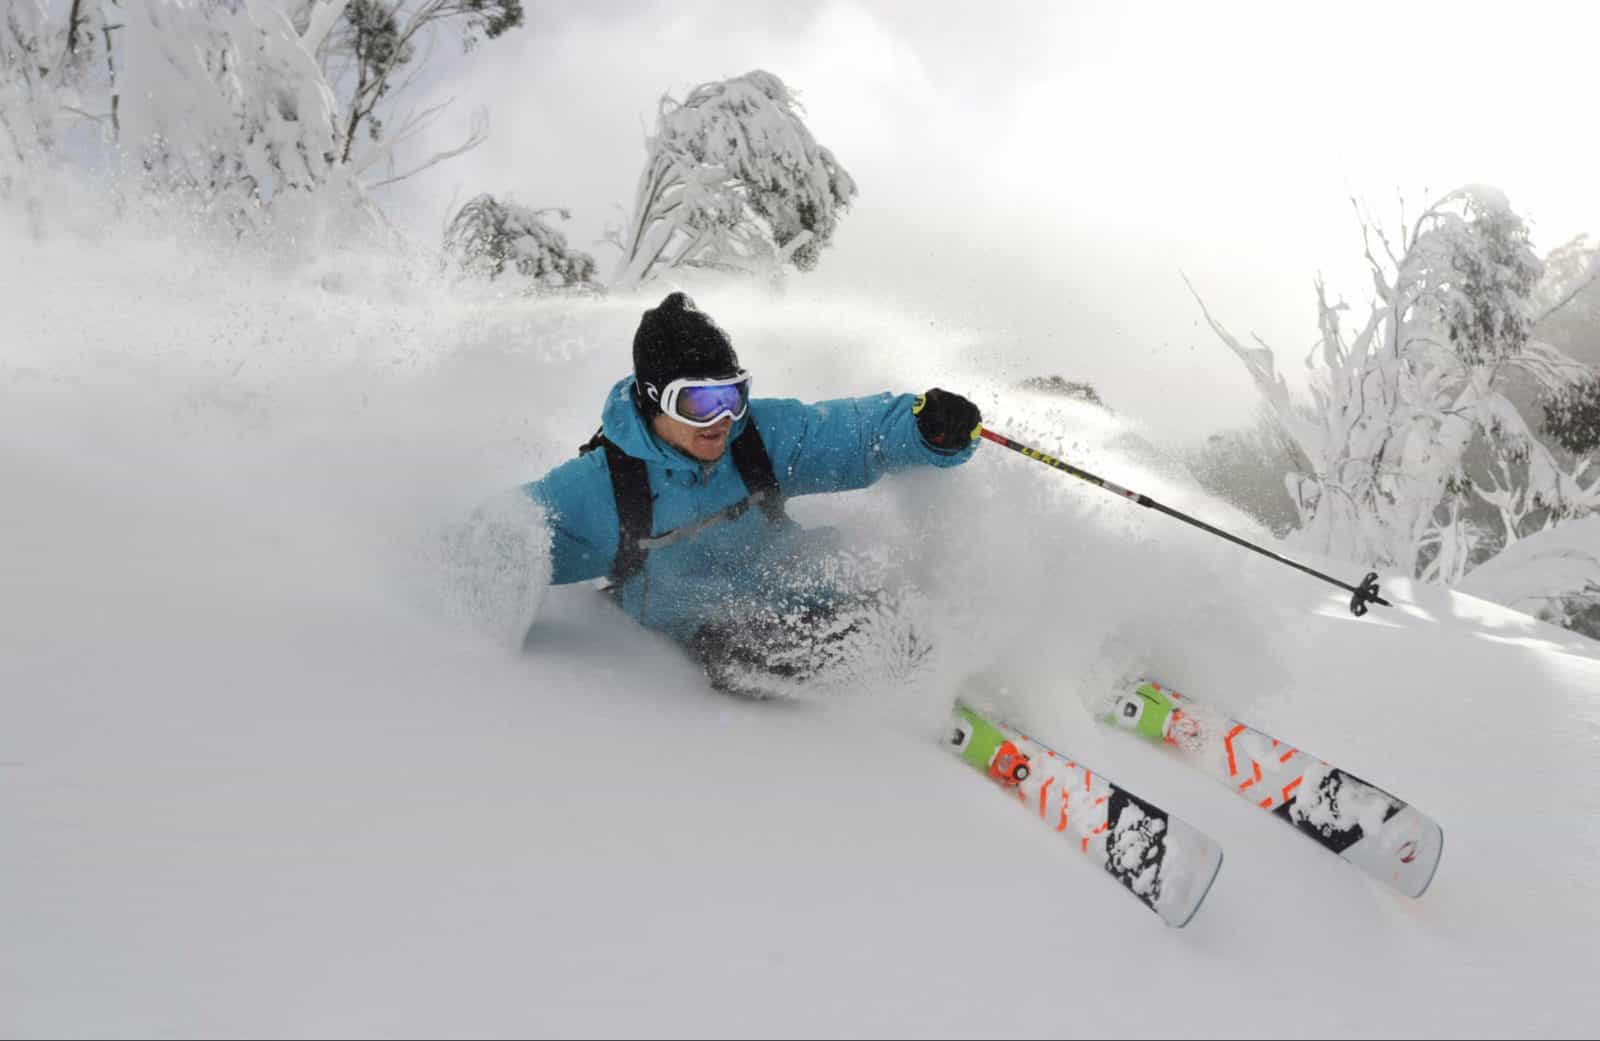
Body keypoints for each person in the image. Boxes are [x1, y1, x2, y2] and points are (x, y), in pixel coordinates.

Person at [522, 291, 981, 694]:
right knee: (756, 646)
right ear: (651, 398)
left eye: (732, 396)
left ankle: (945, 678)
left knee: (887, 599)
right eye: (700, 403)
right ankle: (885, 692)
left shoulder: (758, 438)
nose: (721, 418)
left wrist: (926, 429)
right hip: (716, 631)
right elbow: (496, 541)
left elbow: (859, 433)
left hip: (797, 584)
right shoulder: (603, 489)